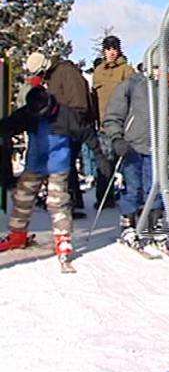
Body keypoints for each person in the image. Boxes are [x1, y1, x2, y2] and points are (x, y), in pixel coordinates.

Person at [0, 87, 111, 268]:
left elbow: (88, 134)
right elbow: (9, 125)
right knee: (22, 198)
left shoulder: (66, 115)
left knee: (57, 201)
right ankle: (17, 235)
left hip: (58, 164)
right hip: (35, 163)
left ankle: (63, 238)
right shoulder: (29, 112)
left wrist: (100, 158)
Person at [103, 59, 169, 247]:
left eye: (163, 68)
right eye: (156, 67)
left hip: (157, 148)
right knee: (133, 187)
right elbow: (113, 115)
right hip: (133, 146)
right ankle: (128, 222)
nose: (160, 72)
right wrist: (116, 138)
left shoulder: (168, 92)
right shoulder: (131, 86)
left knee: (155, 186)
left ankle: (154, 223)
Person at [25, 50, 94, 216]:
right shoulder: (52, 77)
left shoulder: (66, 72)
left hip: (72, 126)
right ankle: (71, 200)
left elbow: (79, 103)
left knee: (65, 164)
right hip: (61, 126)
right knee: (64, 164)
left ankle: (71, 203)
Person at [92, 35, 136, 209]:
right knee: (104, 163)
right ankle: (104, 197)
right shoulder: (98, 71)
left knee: (127, 164)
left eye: (113, 49)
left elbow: (135, 97)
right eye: (108, 49)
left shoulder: (127, 70)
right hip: (104, 125)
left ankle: (130, 197)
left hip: (124, 125)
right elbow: (93, 98)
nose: (111, 53)